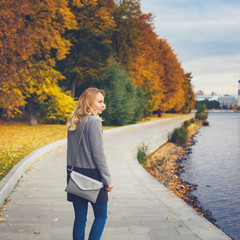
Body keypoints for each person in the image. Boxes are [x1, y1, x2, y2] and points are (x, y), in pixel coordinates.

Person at [66, 87, 113, 240]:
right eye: (99, 101)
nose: (103, 105)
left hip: (74, 173)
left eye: (103, 102)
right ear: (89, 102)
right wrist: (108, 180)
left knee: (80, 219)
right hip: (92, 175)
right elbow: (99, 155)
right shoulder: (93, 121)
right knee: (101, 215)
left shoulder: (74, 120)